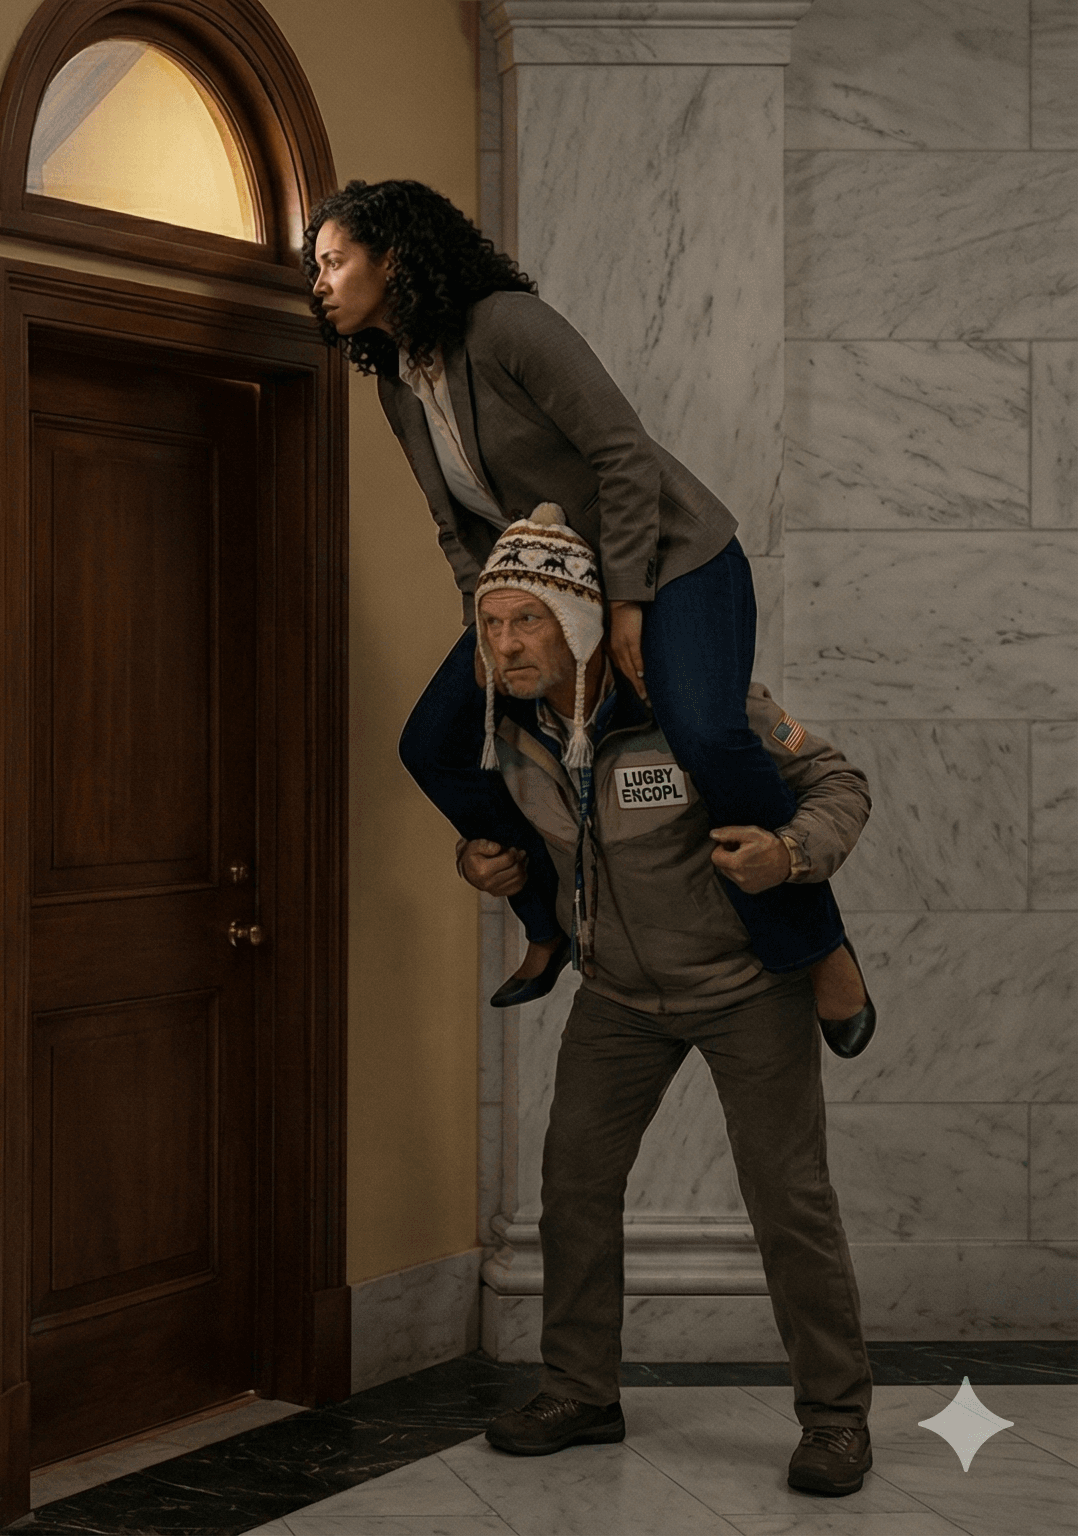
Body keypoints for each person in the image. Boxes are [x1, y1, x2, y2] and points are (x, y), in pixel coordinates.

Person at [304, 178, 874, 1055]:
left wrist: (630, 604)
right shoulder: (399, 388)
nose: (322, 282)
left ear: (394, 257)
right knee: (434, 742)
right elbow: (458, 530)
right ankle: (548, 922)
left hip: (676, 559)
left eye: (336, 262)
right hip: (553, 589)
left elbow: (622, 456)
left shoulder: (506, 326)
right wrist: (487, 624)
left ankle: (816, 947)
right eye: (318, 268)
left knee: (707, 731)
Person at [450, 512, 876, 1497]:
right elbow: (527, 839)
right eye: (491, 623)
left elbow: (836, 782)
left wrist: (790, 855)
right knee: (573, 1188)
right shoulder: (504, 730)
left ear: (577, 624)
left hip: (743, 992)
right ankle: (580, 1390)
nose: (504, 644)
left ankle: (835, 1416)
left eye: (525, 622)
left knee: (789, 1201)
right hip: (617, 1000)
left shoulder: (692, 702)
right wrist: (481, 859)